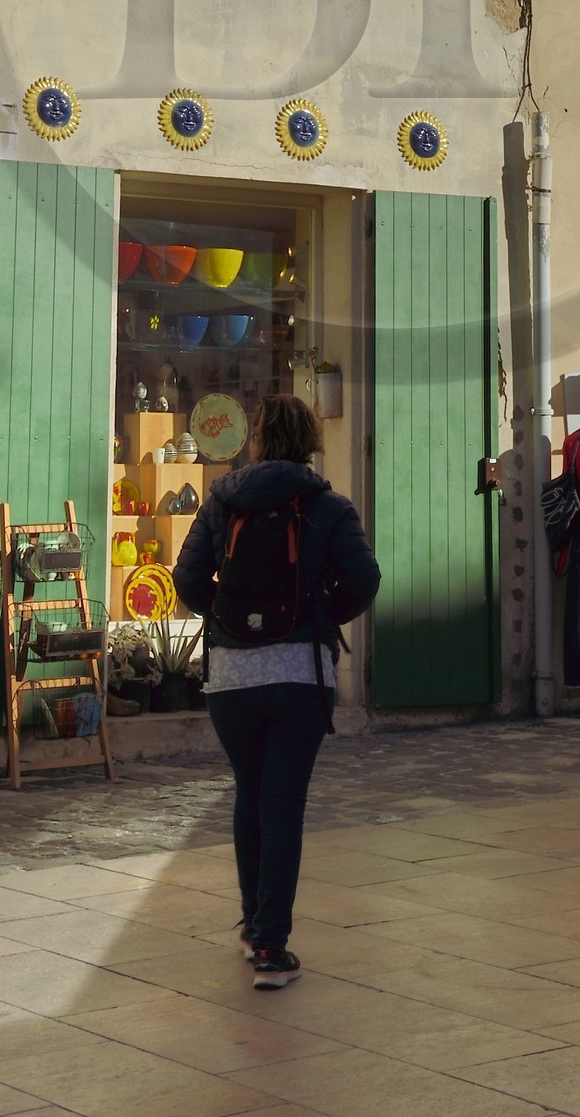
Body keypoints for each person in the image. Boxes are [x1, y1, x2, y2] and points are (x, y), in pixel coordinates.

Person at [173, 394, 379, 989]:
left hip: (231, 677)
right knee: (282, 804)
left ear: (257, 437)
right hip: (298, 675)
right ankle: (270, 947)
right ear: (312, 439)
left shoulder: (221, 499)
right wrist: (316, 617)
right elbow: (364, 579)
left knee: (250, 795)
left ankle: (252, 926)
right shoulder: (328, 505)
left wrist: (228, 617)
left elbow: (186, 578)